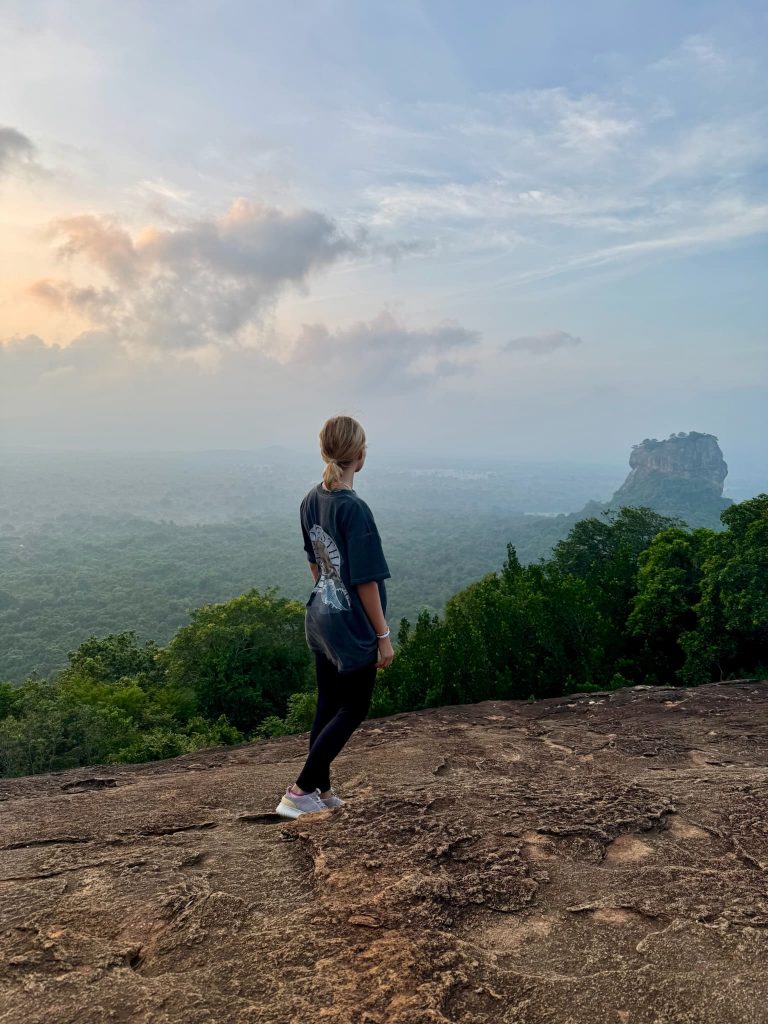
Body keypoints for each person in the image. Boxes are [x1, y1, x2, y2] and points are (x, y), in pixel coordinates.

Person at [275, 415, 395, 819]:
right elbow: (366, 581)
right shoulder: (354, 509)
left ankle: (321, 790)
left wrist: (329, 596)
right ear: (359, 455)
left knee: (327, 703)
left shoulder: (311, 499)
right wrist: (383, 635)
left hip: (321, 617)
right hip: (352, 626)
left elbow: (315, 563)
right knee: (354, 708)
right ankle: (300, 791)